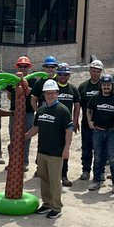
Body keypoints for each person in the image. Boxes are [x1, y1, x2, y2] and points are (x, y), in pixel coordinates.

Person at [26, 80, 74, 219]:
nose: (50, 95)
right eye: (47, 93)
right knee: (44, 178)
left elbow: (69, 130)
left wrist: (67, 149)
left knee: (54, 181)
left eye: (53, 93)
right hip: (42, 151)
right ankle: (47, 204)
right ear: (44, 94)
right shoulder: (41, 110)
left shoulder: (63, 111)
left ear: (57, 93)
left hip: (55, 152)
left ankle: (56, 207)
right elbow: (36, 128)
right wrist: (24, 137)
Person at [89, 73, 114, 190]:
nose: (106, 87)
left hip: (112, 132)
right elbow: (88, 109)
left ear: (112, 86)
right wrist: (89, 121)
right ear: (101, 86)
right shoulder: (95, 98)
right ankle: (96, 181)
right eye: (104, 85)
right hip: (98, 131)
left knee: (112, 158)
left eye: (108, 85)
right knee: (98, 156)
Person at [52, 63, 80, 187]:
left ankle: (64, 175)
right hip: (52, 123)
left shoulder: (73, 89)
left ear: (69, 75)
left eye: (66, 74)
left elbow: (77, 106)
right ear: (57, 74)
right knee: (51, 148)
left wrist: (75, 121)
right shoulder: (52, 88)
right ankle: (51, 175)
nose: (63, 76)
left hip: (66, 125)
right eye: (61, 74)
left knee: (65, 149)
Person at [76, 60, 105, 181]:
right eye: (93, 71)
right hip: (86, 123)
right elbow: (77, 105)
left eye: (98, 71)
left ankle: (100, 172)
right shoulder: (83, 86)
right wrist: (75, 120)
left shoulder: (105, 85)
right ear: (89, 71)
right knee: (86, 147)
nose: (95, 73)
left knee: (100, 149)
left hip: (101, 124)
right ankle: (86, 170)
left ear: (101, 72)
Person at [5, 56, 35, 169]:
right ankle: (13, 161)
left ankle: (24, 162)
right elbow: (9, 95)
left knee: (26, 137)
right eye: (21, 66)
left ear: (29, 67)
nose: (23, 68)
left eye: (25, 66)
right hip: (14, 112)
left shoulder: (33, 80)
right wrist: (16, 105)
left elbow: (34, 96)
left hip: (28, 113)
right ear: (17, 67)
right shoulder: (11, 80)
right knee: (13, 136)